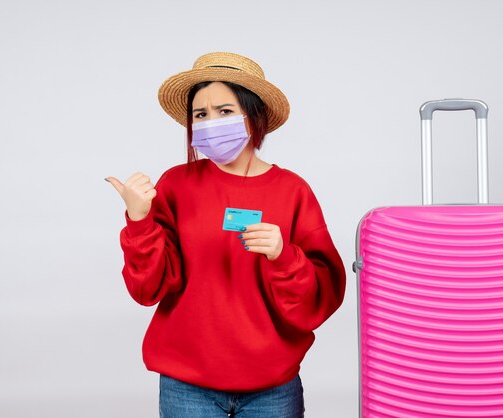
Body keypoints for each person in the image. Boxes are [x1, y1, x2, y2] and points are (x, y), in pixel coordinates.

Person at [106, 52, 346, 418]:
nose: (210, 122)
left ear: (256, 116)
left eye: (224, 111)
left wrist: (285, 257)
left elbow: (322, 297)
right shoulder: (176, 184)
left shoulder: (293, 191)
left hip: (272, 388)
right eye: (200, 115)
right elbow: (147, 289)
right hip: (187, 386)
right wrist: (140, 222)